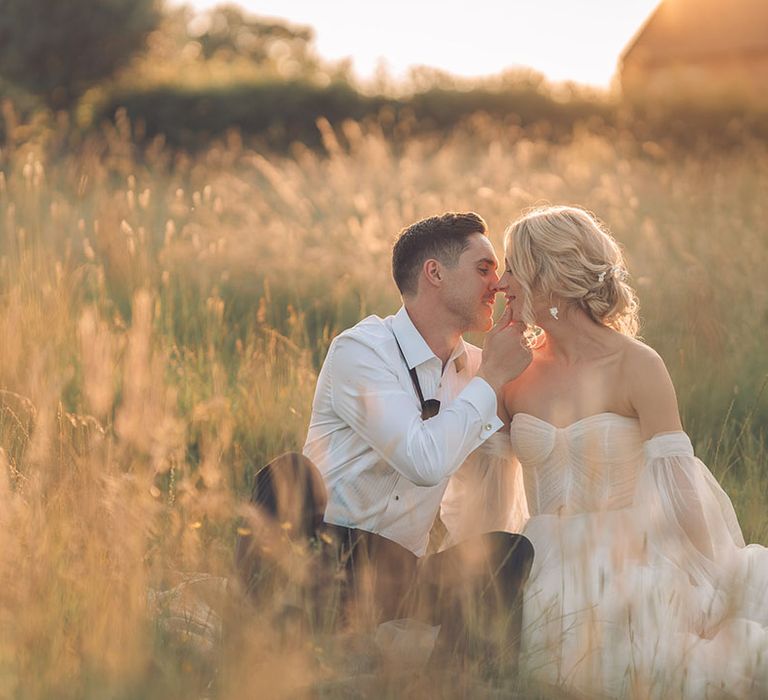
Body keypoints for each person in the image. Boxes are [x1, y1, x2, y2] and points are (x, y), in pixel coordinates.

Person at [497, 205, 768, 698]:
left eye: (513, 267)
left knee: (658, 656)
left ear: (549, 272)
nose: (502, 282)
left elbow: (678, 480)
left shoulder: (636, 364)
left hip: (630, 555)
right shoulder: (511, 371)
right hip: (542, 558)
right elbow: (494, 484)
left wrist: (710, 574)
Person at [237, 212, 533, 662]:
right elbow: (422, 461)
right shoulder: (361, 350)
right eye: (483, 269)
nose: (496, 283)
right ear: (434, 273)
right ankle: (260, 641)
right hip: (316, 559)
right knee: (289, 475)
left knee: (510, 552)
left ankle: (454, 687)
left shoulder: (477, 369)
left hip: (396, 578)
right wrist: (491, 378)